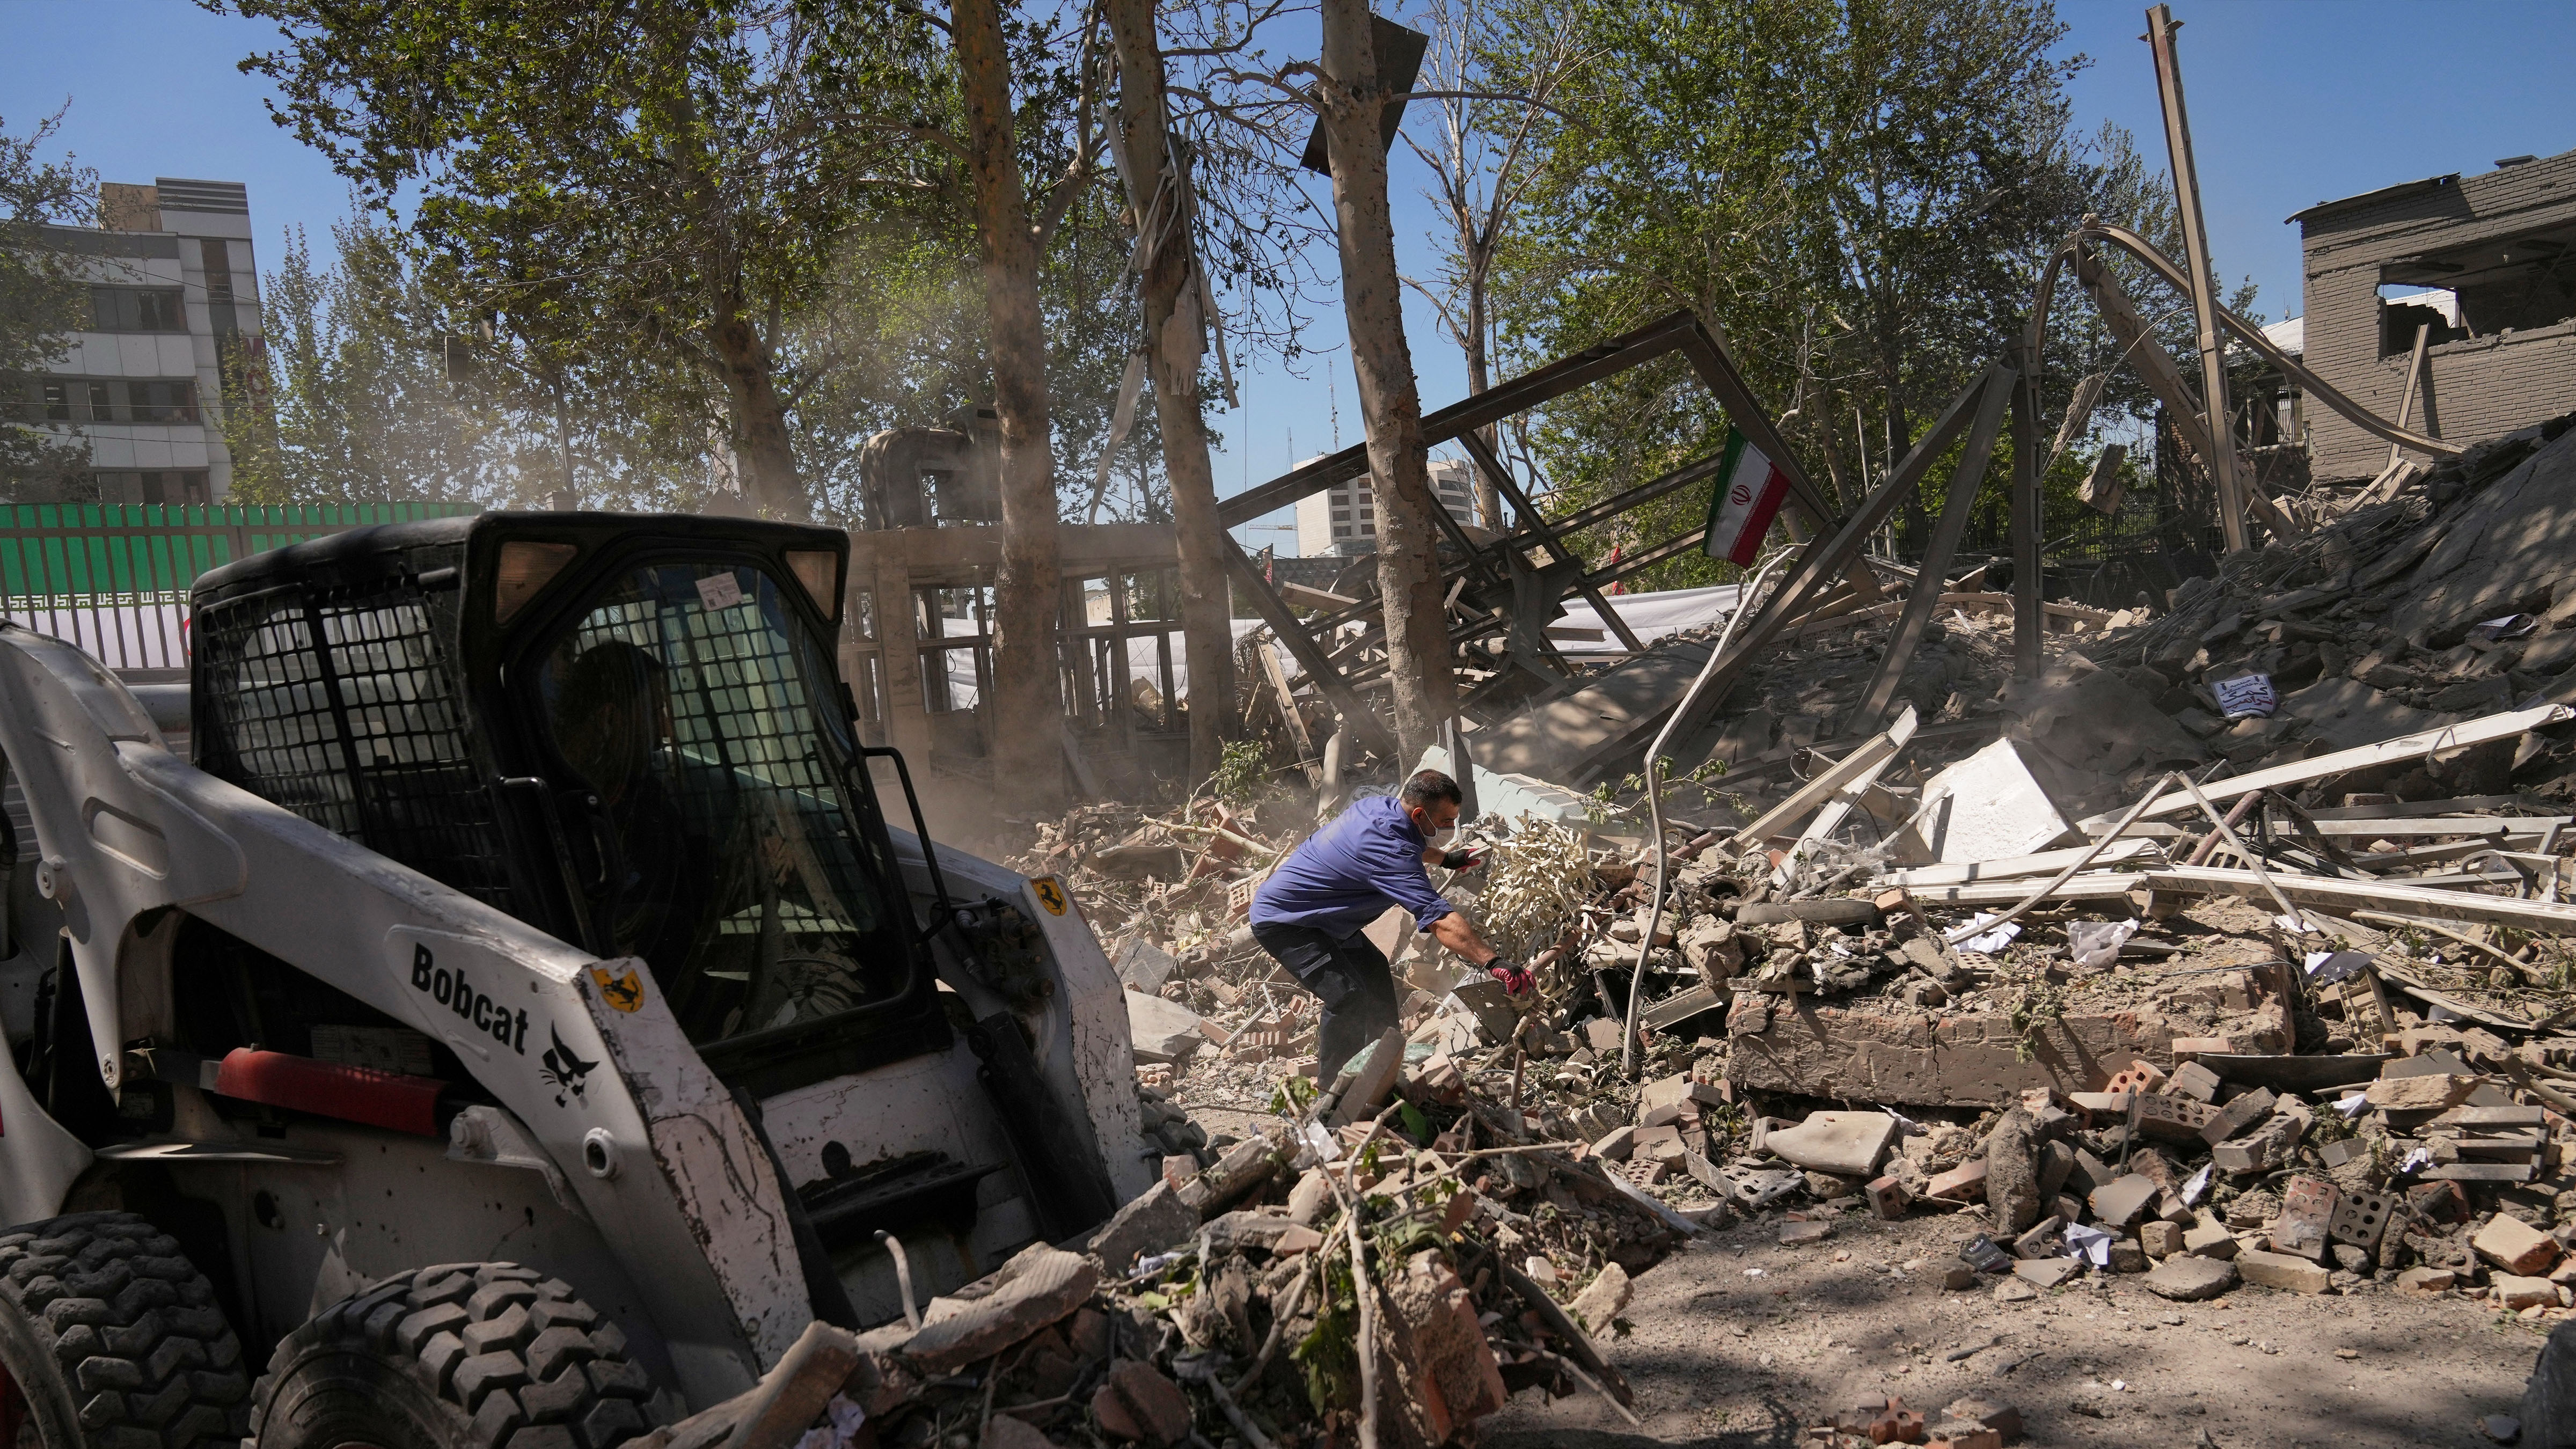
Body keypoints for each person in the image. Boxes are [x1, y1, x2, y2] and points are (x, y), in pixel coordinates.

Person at [1249, 769, 1528, 1081]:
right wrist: (1493, 961)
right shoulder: (1390, 855)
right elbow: (1438, 918)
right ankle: (1333, 1097)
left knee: (1376, 975)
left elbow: (1410, 842)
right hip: (1286, 921)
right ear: (1421, 814)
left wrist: (1447, 860)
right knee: (1347, 997)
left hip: (1324, 916)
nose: (1452, 826)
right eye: (1448, 820)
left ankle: (1382, 1069)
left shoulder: (1381, 808)